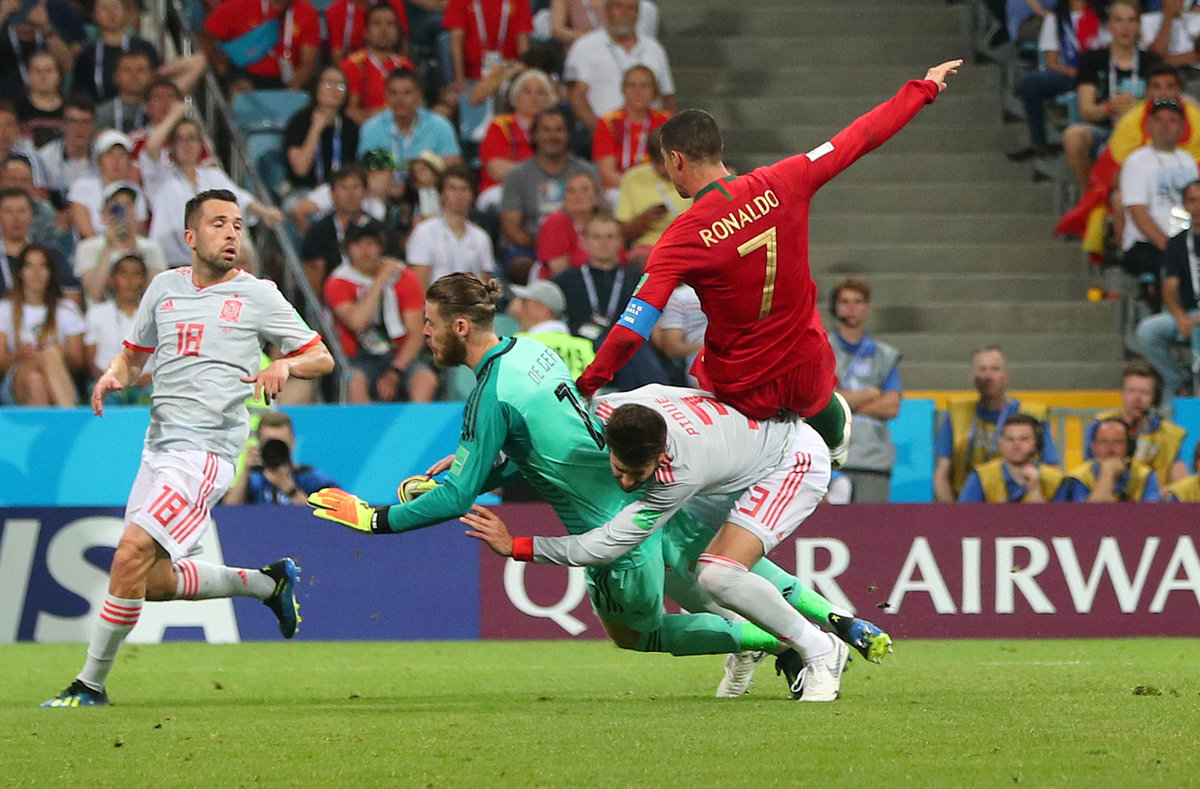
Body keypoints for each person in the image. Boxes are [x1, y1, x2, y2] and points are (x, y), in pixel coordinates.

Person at [308, 273, 891, 697]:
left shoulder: (490, 393)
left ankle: (780, 643)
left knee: (641, 635)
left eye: (431, 324)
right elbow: (546, 444)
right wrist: (484, 462)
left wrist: (375, 518)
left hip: (614, 527)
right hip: (650, 492)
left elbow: (460, 497)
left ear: (460, 327)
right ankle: (826, 626)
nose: (425, 334)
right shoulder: (529, 353)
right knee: (727, 571)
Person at [577, 60, 963, 471]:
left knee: (703, 384)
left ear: (676, 160)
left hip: (742, 386)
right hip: (809, 369)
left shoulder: (680, 238)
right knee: (814, 387)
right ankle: (831, 429)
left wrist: (589, 383)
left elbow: (631, 330)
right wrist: (923, 89)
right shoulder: (786, 178)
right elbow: (860, 137)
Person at [41, 189, 335, 707]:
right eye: (219, 223)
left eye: (238, 225)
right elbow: (134, 356)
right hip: (157, 450)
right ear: (190, 237)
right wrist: (114, 373)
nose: (232, 233)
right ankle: (266, 584)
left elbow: (321, 357)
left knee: (128, 554)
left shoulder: (258, 294)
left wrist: (285, 364)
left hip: (206, 454)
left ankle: (89, 685)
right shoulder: (163, 288)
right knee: (149, 580)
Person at [461, 384, 872, 702]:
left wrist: (517, 546)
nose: (625, 482)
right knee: (694, 563)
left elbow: (605, 546)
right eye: (619, 470)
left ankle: (817, 647)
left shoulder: (679, 473)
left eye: (636, 475)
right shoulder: (608, 410)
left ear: (659, 457)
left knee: (719, 574)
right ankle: (773, 640)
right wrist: (483, 465)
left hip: (789, 462)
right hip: (735, 457)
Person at [141, 105, 283, 269]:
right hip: (169, 264)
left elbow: (240, 198)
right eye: (180, 139)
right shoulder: (161, 177)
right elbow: (151, 146)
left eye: (192, 138)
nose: (187, 145)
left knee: (240, 240)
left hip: (206, 263)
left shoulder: (212, 176)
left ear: (200, 144)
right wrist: (175, 114)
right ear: (171, 146)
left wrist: (265, 211)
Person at [323, 219, 436, 403]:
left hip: (398, 355)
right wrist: (381, 280)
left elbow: (416, 333)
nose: (365, 251)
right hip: (357, 357)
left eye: (371, 244)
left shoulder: (404, 277)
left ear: (381, 246)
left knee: (426, 380)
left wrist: (395, 370)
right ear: (348, 249)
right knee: (354, 381)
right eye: (358, 245)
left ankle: (414, 423)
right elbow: (358, 322)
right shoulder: (337, 282)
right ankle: (364, 422)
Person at [555, 212, 664, 391]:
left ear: (620, 241)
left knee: (630, 345)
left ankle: (652, 396)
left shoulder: (637, 278)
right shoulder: (566, 280)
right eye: (596, 237)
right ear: (585, 241)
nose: (603, 243)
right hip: (583, 347)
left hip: (626, 346)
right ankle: (654, 395)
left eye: (610, 237)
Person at [933, 346, 1057, 502]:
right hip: (967, 504)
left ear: (1006, 375)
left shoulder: (1034, 416)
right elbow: (941, 474)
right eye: (982, 369)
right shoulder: (957, 414)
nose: (988, 376)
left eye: (995, 369)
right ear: (972, 376)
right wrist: (953, 512)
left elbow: (1052, 470)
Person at [1062, 0, 1161, 191]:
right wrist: (1110, 107)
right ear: (1109, 26)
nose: (1125, 27)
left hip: (1141, 131)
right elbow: (1086, 111)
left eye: (1131, 20)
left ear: (1138, 26)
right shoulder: (1092, 59)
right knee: (1073, 136)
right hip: (1104, 130)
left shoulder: (1152, 62)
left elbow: (1160, 106)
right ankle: (1092, 195)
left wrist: (1135, 110)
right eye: (1119, 20)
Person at [499, 106, 598, 276]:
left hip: (581, 243)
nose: (553, 136)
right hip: (530, 247)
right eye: (546, 130)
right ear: (534, 135)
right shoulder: (518, 174)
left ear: (568, 135)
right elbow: (511, 229)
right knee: (521, 265)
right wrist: (549, 243)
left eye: (559, 130)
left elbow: (600, 213)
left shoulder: (586, 171)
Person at [1118, 97, 1198, 307]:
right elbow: (1138, 212)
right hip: (1146, 245)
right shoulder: (1136, 162)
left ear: (1182, 127)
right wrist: (1172, 248)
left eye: (1172, 121)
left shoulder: (1188, 161)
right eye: (1159, 120)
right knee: (1176, 268)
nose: (1165, 126)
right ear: (1149, 125)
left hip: (1185, 241)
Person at [829, 278, 902, 503]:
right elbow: (824, 401)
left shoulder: (885, 355)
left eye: (858, 301)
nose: (851, 307)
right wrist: (870, 395)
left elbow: (891, 407)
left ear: (867, 308)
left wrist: (845, 401)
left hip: (874, 460)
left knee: (873, 524)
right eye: (845, 301)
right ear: (835, 307)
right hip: (830, 455)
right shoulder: (820, 348)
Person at [562, 0, 674, 132]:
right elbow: (576, 95)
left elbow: (667, 97)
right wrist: (601, 132)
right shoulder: (584, 46)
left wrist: (667, 135)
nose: (625, 13)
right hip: (601, 132)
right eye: (619, 6)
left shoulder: (654, 49)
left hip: (648, 136)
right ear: (607, 10)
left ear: (638, 13)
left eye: (631, 8)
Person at [1135, 179, 1200, 402]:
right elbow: (1170, 287)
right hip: (1188, 313)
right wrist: (1180, 316)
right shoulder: (1178, 243)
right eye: (1193, 201)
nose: (1198, 207)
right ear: (1185, 205)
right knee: (1148, 331)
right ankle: (1177, 382)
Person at [0, 243, 84, 406]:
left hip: (54, 377)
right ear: (20, 272)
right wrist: (18, 355)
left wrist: (62, 352)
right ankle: (71, 414)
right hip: (16, 378)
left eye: (42, 266)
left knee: (36, 379)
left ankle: (57, 419)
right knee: (48, 355)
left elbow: (78, 361)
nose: (36, 273)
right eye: (29, 266)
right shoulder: (4, 309)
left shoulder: (67, 309)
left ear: (50, 272)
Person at [1083, 361, 1187, 483]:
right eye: (1131, 391)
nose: (1137, 399)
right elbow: (1089, 474)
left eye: (1145, 393)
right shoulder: (1101, 426)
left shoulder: (1169, 435)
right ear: (1122, 393)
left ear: (1154, 397)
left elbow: (1181, 484)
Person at [357, 67, 462, 178]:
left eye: (407, 93)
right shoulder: (371, 128)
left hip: (430, 186)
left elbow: (453, 169)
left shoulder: (440, 126)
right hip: (385, 187)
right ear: (386, 95)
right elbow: (369, 173)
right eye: (393, 93)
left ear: (419, 95)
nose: (400, 100)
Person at [404, 164, 494, 289]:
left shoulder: (481, 237)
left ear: (472, 195)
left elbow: (484, 286)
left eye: (464, 189)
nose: (459, 195)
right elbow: (419, 285)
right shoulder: (424, 232)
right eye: (452, 189)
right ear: (442, 194)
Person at [74, 184, 167, 305]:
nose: (124, 212)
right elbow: (95, 293)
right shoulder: (88, 247)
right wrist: (108, 247)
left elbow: (156, 292)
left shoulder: (151, 247)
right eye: (117, 206)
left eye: (129, 205)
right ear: (105, 213)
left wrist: (134, 247)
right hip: (101, 313)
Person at [476, 67, 554, 209]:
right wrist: (540, 172)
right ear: (515, 98)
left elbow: (560, 166)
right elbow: (498, 170)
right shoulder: (500, 126)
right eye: (527, 91)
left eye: (540, 92)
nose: (534, 97)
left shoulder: (554, 128)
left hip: (545, 189)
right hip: (502, 187)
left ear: (549, 100)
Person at [201, 0, 321, 92]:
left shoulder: (306, 12)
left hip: (286, 78)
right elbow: (206, 32)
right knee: (241, 92)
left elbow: (308, 63)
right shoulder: (243, 4)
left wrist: (292, 89)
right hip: (245, 73)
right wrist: (217, 61)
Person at [223, 411, 338, 505]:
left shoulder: (310, 476)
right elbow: (228, 513)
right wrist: (246, 470)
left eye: (280, 443)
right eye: (270, 443)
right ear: (259, 443)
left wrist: (288, 487)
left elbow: (324, 518)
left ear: (292, 442)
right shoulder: (254, 478)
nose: (275, 448)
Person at [84, 253, 153, 405]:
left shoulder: (156, 314)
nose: (129, 280)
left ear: (144, 281)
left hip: (147, 384)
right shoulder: (96, 313)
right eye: (124, 274)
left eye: (136, 274)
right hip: (106, 382)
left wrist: (149, 378)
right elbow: (90, 359)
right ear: (112, 279)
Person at [614, 127, 690, 263]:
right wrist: (644, 220)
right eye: (662, 164)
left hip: (688, 246)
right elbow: (622, 231)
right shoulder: (633, 178)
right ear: (652, 160)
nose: (669, 170)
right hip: (647, 249)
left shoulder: (695, 176)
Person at [592, 65, 670, 195]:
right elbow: (607, 173)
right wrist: (638, 189)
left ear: (654, 91)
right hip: (619, 189)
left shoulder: (666, 122)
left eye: (644, 86)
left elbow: (673, 166)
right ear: (623, 89)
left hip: (659, 187)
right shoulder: (608, 122)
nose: (637, 91)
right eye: (631, 85)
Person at [284, 66, 360, 197]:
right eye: (329, 84)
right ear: (316, 88)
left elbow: (354, 170)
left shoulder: (350, 127)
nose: (335, 90)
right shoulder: (299, 121)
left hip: (341, 194)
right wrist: (316, 129)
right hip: (303, 191)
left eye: (341, 86)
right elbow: (301, 169)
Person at [957, 414, 1065, 502]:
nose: (1016, 445)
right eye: (1010, 439)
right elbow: (964, 517)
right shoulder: (981, 477)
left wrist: (1034, 491)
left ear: (1036, 444)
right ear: (1001, 444)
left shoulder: (1055, 481)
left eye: (1024, 439)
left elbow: (1061, 521)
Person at [69, 0, 161, 102]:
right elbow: (80, 92)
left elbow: (157, 80)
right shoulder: (87, 55)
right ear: (94, 15)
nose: (111, 12)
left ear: (125, 12)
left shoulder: (144, 48)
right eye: (104, 8)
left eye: (116, 7)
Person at [339, 4, 416, 125]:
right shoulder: (352, 65)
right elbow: (350, 112)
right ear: (366, 31)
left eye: (390, 24)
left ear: (397, 32)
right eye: (377, 23)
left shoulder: (406, 66)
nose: (384, 30)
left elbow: (416, 107)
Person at [67, 129, 149, 240]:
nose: (116, 161)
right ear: (99, 160)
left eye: (122, 155)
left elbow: (138, 232)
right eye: (110, 155)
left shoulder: (136, 191)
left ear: (129, 161)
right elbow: (85, 232)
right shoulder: (81, 186)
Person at [1055, 417, 1162, 501]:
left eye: (1117, 442)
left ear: (1128, 447)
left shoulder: (1145, 476)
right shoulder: (1077, 479)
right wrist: (1107, 475)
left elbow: (1152, 517)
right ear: (1094, 447)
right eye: (1103, 442)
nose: (1110, 449)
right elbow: (1088, 518)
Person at [508, 277, 595, 378]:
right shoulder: (584, 347)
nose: (516, 310)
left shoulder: (518, 344)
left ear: (542, 310)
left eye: (524, 304)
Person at [442, 0, 533, 91]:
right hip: (471, 77)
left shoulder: (519, 1)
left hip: (508, 74)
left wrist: (524, 79)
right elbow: (456, 42)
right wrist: (459, 81)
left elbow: (523, 43)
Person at [535, 169, 608, 277]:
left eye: (584, 190)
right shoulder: (555, 221)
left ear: (596, 198)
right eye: (571, 191)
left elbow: (617, 259)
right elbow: (558, 268)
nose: (577, 196)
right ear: (564, 198)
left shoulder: (606, 224)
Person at [653, 284, 703, 385]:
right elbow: (671, 348)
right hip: (707, 368)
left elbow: (671, 348)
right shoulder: (680, 297)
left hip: (703, 369)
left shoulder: (680, 297)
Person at [15, 51, 67, 147]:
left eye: (49, 71)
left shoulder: (71, 108)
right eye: (37, 71)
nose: (43, 76)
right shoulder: (15, 109)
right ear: (28, 75)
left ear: (59, 75)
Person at [95, 50, 154, 133]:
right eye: (127, 70)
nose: (134, 75)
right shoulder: (102, 113)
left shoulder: (158, 110)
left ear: (151, 76)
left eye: (140, 70)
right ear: (116, 76)